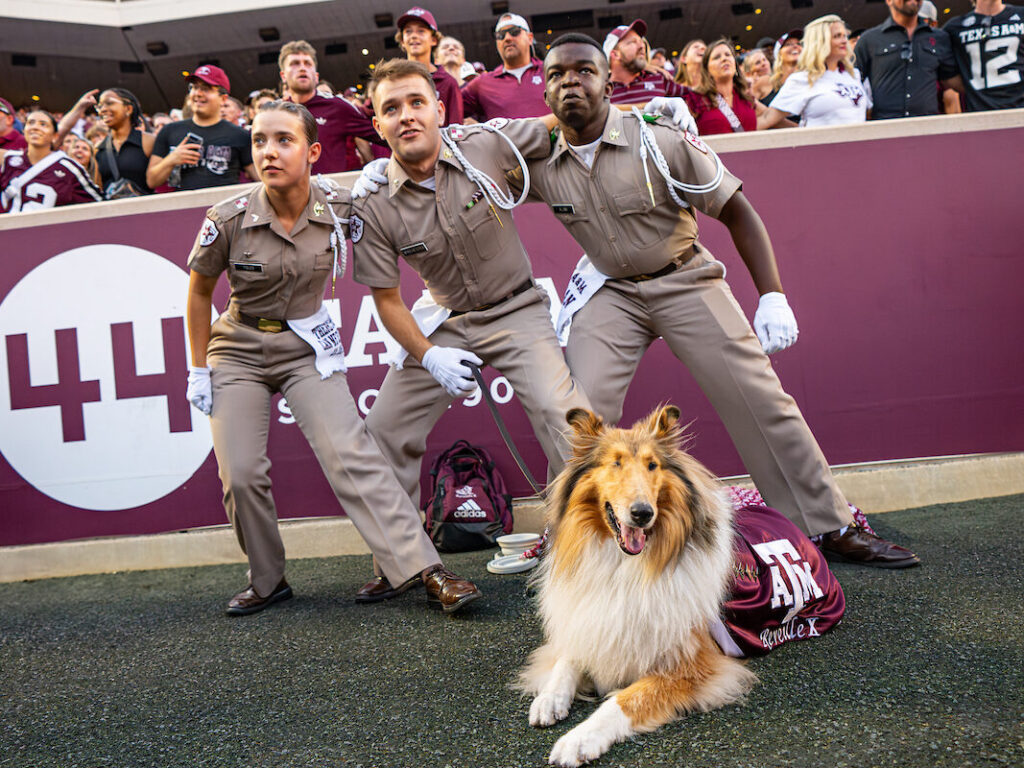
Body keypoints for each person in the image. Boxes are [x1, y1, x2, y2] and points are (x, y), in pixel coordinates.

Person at [525, 33, 920, 568]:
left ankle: (828, 525)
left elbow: (738, 211)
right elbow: (467, 151)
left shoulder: (659, 138)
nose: (570, 81)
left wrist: (772, 295)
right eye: (556, 74)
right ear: (544, 89)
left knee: (759, 397)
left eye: (584, 71)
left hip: (683, 276)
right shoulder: (539, 157)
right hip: (610, 288)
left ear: (608, 82)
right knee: (578, 416)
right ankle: (572, 540)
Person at [184, 99, 481, 615]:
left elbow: (403, 210)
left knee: (353, 454)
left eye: (284, 141)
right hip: (237, 349)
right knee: (242, 473)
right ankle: (267, 579)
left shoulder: (343, 207)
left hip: (305, 348)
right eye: (259, 141)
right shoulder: (227, 218)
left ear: (314, 151)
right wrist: (197, 367)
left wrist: (380, 176)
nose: (268, 152)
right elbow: (198, 293)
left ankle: (424, 569)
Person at [349, 58, 591, 600]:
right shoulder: (372, 200)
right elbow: (387, 302)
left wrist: (645, 118)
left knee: (567, 418)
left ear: (439, 109)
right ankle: (402, 561)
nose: (407, 116)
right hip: (447, 321)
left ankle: (576, 546)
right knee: (384, 431)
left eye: (416, 103)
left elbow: (563, 118)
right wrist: (430, 356)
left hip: (517, 310)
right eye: (391, 109)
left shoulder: (485, 144)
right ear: (378, 126)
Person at [277, 40, 382, 174]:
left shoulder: (338, 107)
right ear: (283, 75)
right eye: (295, 63)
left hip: (332, 192)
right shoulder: (277, 114)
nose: (302, 68)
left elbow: (383, 135)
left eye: (307, 63)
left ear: (316, 76)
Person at [148, 66, 256, 190]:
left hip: (224, 206)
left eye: (206, 89)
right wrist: (171, 159)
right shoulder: (169, 131)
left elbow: (260, 178)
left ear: (223, 98)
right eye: (194, 87)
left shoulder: (239, 135)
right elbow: (151, 181)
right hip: (183, 207)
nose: (198, 94)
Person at [759, 15, 871, 129]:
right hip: (822, 145)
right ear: (820, 42)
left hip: (858, 145)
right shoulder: (802, 79)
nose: (844, 41)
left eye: (844, 36)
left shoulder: (853, 74)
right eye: (837, 36)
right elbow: (767, 119)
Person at [855, 0, 962, 119]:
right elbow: (851, 82)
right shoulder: (869, 40)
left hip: (927, 128)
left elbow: (953, 80)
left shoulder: (939, 38)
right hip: (885, 129)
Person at [0, 110, 103, 213]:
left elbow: (99, 204)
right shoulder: (9, 160)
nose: (35, 127)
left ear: (55, 136)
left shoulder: (69, 168)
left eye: (43, 124)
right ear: (24, 130)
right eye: (31, 123)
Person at [59, 88, 155, 196]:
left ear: (128, 109)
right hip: (113, 211)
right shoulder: (98, 148)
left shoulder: (149, 141)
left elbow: (160, 182)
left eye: (109, 103)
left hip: (147, 210)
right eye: (100, 106)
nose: (103, 109)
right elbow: (99, 188)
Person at [461, 13, 548, 120]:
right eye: (501, 35)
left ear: (530, 38)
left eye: (514, 32)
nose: (507, 38)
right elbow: (446, 110)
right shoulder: (483, 83)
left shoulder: (550, 71)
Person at [944, 0, 1024, 112]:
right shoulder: (954, 28)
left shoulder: (1021, 16)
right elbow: (947, 76)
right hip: (980, 114)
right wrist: (973, 89)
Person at [395, 6, 463, 125]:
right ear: (402, 41)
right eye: (408, 31)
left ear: (434, 40)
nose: (414, 36)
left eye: (421, 31)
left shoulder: (448, 83)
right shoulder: (392, 80)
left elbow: (456, 129)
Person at [682, 39, 762, 134]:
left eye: (728, 55)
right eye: (716, 57)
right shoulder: (695, 99)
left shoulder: (746, 95)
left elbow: (767, 116)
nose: (724, 59)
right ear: (707, 71)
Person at [605, 19, 690, 105]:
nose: (642, 46)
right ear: (615, 54)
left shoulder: (661, 78)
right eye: (633, 42)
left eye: (641, 42)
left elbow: (698, 89)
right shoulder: (602, 92)